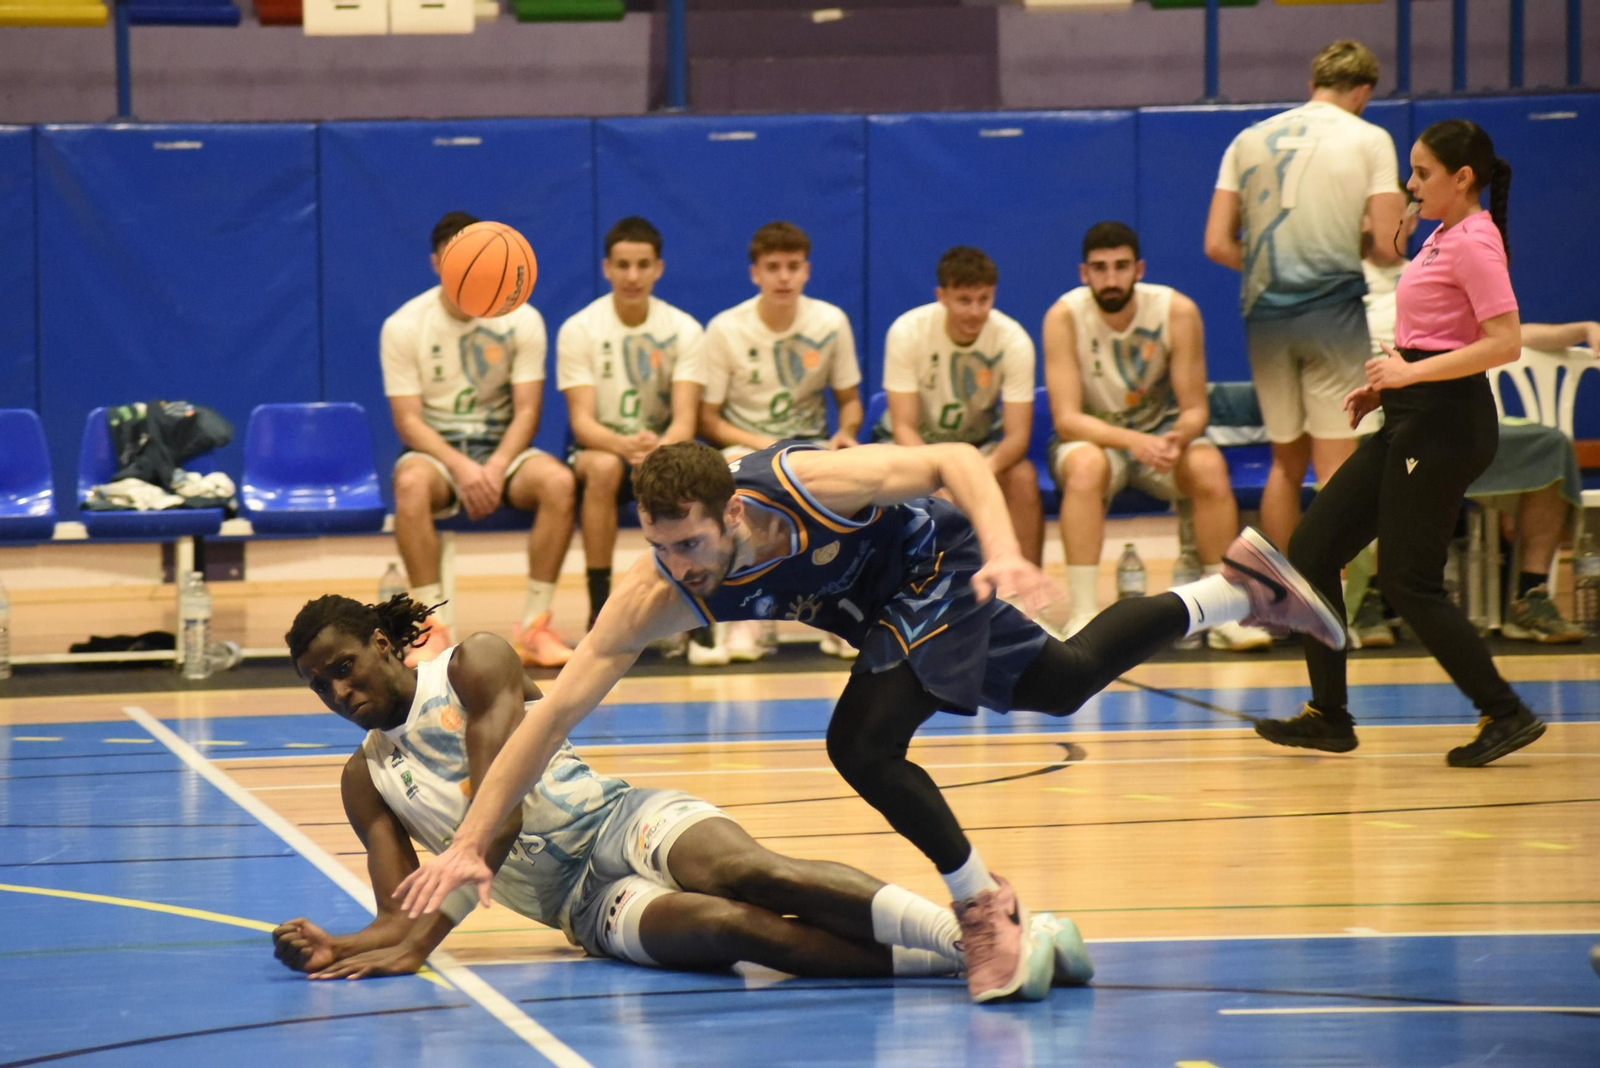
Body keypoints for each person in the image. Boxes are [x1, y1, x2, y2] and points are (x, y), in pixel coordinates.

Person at [390, 438, 1346, 1004]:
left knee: (860, 742)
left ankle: (983, 909)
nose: (680, 564)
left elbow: (955, 459)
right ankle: (1238, 589)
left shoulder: (806, 481)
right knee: (1064, 681)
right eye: (662, 547)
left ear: (731, 511)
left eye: (691, 544)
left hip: (937, 563)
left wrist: (1010, 553)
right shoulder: (657, 595)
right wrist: (474, 841)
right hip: (870, 612)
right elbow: (548, 716)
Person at [273, 594, 1097, 990]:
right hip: (580, 907)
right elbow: (398, 912)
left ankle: (984, 932)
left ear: (384, 646)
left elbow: (502, 803)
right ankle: (981, 955)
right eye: (320, 686)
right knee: (740, 929)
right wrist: (342, 944)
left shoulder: (473, 664)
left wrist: (420, 943)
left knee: (754, 873)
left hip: (618, 821)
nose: (338, 693)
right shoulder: (366, 778)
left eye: (344, 668)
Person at [1253, 119, 1548, 767]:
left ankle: (1506, 713)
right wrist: (1389, 390)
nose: (1410, 185)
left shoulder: (1475, 241)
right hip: (1413, 417)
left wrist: (1410, 375)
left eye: (1421, 173)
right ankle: (1328, 714)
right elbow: (1440, 335)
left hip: (1446, 424)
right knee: (1311, 549)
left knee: (1411, 583)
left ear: (1461, 178)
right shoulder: (1442, 238)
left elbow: (1504, 341)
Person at [1205, 40, 1406, 550]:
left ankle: (1287, 597)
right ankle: (1329, 605)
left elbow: (1216, 243)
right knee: (1335, 465)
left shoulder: (1248, 138)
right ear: (1363, 92)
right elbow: (1387, 246)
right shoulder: (1370, 138)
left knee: (1284, 464)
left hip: (1265, 318)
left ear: (1312, 84)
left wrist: (1274, 268)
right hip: (1331, 315)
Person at [1356, 216, 1593, 646]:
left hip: (1456, 413)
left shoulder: (1431, 269)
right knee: (1387, 455)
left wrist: (1580, 330)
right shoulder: (1343, 285)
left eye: (1406, 203)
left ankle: (1531, 594)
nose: (1400, 213)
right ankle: (1371, 598)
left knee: (1550, 446)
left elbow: (1504, 333)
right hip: (1387, 411)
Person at [1043, 222, 1273, 652]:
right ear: (1083, 273)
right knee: (1085, 467)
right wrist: (1132, 441)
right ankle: (1083, 612)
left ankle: (1223, 613)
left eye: (1121, 266)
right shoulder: (1064, 316)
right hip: (1096, 442)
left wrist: (1177, 437)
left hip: (1160, 441)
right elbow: (1067, 420)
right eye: (1100, 268)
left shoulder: (1176, 311)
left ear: (1139, 268)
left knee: (1207, 466)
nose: (1111, 278)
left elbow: (1195, 411)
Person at [381, 211, 575, 670]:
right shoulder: (404, 325)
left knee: (559, 483)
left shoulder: (523, 319)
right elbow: (409, 422)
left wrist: (493, 466)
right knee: (409, 484)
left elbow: (528, 410)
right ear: (436, 263)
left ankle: (535, 625)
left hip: (501, 450)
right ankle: (426, 627)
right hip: (438, 452)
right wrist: (463, 468)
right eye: (454, 257)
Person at [693, 220, 865, 663]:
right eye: (773, 267)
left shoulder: (830, 321)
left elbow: (850, 402)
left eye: (793, 266)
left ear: (806, 271)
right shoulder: (725, 328)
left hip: (811, 447)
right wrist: (764, 444)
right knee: (738, 493)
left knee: (861, 485)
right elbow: (708, 419)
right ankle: (749, 623)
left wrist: (845, 433)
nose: (784, 277)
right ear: (755, 273)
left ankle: (842, 620)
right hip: (744, 446)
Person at [557, 217, 706, 632]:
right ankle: (600, 608)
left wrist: (655, 452)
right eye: (623, 265)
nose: (633, 276)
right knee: (603, 470)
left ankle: (694, 607)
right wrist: (627, 446)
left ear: (659, 268)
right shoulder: (580, 329)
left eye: (643, 264)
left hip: (662, 449)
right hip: (601, 452)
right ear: (606, 268)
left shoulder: (684, 329)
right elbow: (583, 424)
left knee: (686, 474)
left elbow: (685, 419)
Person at [880, 246, 1043, 566]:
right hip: (914, 448)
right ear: (942, 295)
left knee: (1023, 477)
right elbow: (903, 427)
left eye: (984, 299)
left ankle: (1024, 589)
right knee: (878, 479)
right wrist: (942, 475)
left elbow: (1017, 438)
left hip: (979, 449)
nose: (975, 311)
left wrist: (975, 474)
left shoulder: (1013, 340)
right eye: (964, 301)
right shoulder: (907, 331)